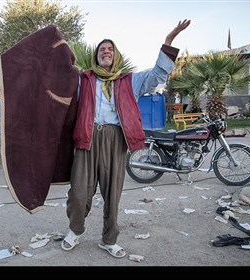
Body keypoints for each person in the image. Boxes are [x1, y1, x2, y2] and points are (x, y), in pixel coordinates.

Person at [61, 19, 191, 258]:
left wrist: (169, 41)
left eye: (110, 49)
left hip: (115, 139)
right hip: (86, 137)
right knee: (79, 192)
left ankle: (109, 239)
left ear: (116, 55)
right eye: (102, 49)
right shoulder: (84, 79)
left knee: (113, 193)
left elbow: (157, 75)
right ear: (96, 56)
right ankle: (75, 230)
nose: (106, 52)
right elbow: (58, 88)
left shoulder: (129, 80)